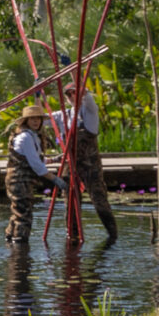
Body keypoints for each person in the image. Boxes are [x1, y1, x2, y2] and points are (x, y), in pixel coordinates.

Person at [51, 84, 118, 243]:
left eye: (75, 92)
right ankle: (73, 236)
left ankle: (112, 234)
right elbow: (40, 118)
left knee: (99, 198)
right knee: (70, 200)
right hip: (70, 165)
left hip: (90, 164)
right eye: (68, 94)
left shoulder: (89, 111)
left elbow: (85, 93)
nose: (72, 96)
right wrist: (39, 97)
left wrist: (77, 79)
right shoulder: (63, 115)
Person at [5, 104, 67, 245]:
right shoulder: (25, 137)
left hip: (22, 180)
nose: (35, 121)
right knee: (24, 215)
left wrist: (53, 160)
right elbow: (36, 165)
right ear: (25, 121)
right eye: (32, 118)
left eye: (38, 118)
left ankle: (10, 242)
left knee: (18, 212)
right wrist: (55, 179)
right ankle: (20, 246)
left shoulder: (32, 136)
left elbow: (32, 158)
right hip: (18, 180)